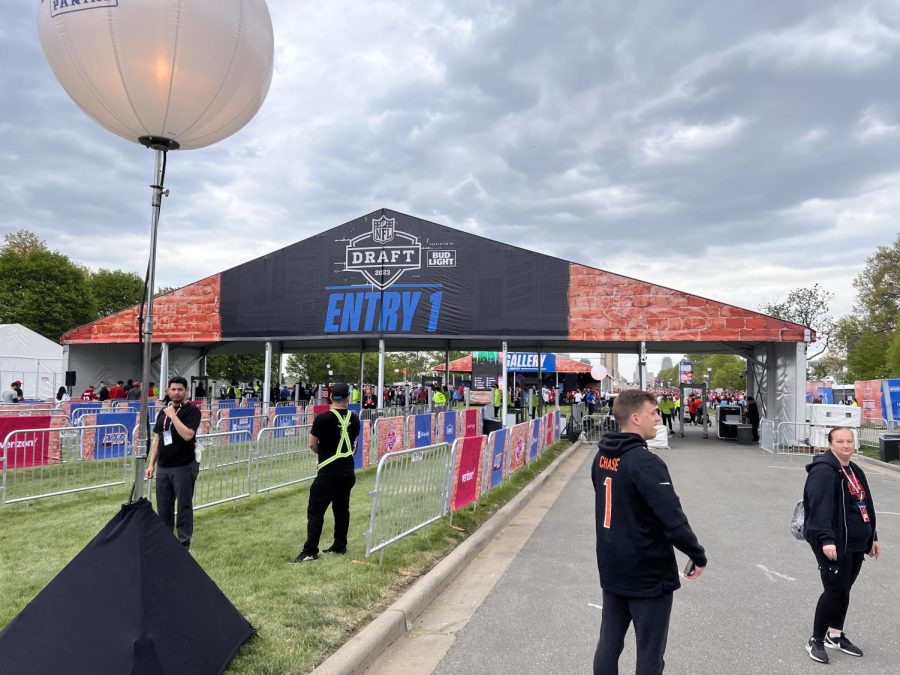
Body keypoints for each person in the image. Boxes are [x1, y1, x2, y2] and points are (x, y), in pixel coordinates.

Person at [591, 389, 706, 674]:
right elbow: (672, 520)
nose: (658, 419)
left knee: (609, 644)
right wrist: (697, 554)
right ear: (635, 418)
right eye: (653, 413)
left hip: (611, 564)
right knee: (650, 652)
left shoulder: (602, 457)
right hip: (646, 570)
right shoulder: (645, 462)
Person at [802, 427, 881, 664]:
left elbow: (865, 504)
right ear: (830, 444)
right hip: (835, 542)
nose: (846, 445)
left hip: (856, 541)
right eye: (840, 441)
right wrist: (826, 539)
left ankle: (835, 635)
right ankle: (815, 639)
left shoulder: (854, 470)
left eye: (849, 441)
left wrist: (873, 537)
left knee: (844, 589)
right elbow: (819, 508)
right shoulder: (824, 471)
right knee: (834, 590)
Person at [294, 383, 360, 562]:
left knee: (316, 511)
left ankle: (310, 551)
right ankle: (340, 545)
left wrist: (321, 455)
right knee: (341, 509)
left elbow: (312, 443)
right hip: (347, 471)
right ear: (348, 398)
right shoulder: (354, 419)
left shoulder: (323, 418)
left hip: (328, 473)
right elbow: (353, 445)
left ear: (331, 398)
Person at [145, 377, 203, 549]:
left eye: (180, 389)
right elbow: (157, 439)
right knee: (164, 506)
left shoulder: (192, 411)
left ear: (186, 392)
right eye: (173, 389)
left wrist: (173, 416)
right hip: (164, 466)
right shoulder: (162, 413)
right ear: (167, 391)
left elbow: (187, 435)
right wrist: (151, 464)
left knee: (184, 505)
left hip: (183, 466)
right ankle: (166, 541)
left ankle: (184, 543)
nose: (176, 393)